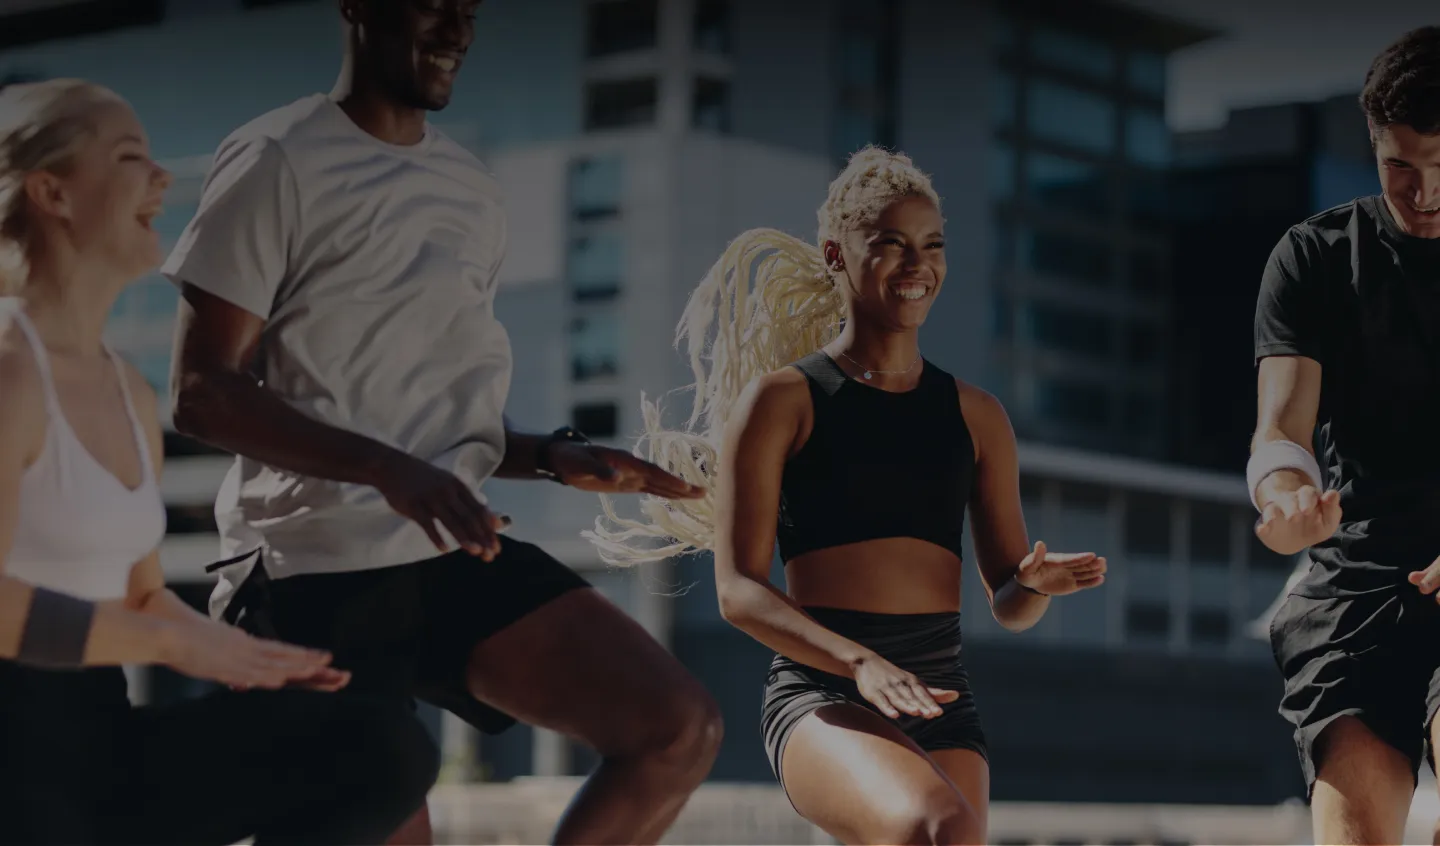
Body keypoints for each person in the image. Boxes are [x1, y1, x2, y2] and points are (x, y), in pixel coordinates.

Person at [162, 1, 722, 843]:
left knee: (676, 728)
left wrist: (554, 454)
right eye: (434, 3)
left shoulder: (470, 187)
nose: (457, 30)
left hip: (443, 555)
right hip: (309, 570)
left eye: (470, 9)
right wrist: (390, 470)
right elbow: (201, 391)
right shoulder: (278, 157)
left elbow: (426, 413)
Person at [585, 147, 1107, 845]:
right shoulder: (782, 401)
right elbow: (738, 591)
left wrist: (1034, 584)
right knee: (941, 828)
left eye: (930, 246)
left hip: (940, 695)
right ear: (836, 254)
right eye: (889, 245)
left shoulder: (977, 416)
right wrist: (859, 662)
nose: (916, 265)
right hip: (822, 694)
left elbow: (1009, 606)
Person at [0, 78, 438, 846]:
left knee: (374, 748)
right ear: (52, 192)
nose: (161, 176)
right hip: (12, 765)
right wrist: (179, 644)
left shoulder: (123, 388)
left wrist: (248, 656)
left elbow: (139, 597)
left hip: (97, 745)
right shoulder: (8, 367)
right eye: (130, 156)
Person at [1250, 25, 1440, 846]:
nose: (1424, 193)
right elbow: (1281, 430)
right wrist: (1285, 496)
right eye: (1401, 166)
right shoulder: (1315, 258)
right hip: (1359, 585)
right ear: (1372, 143)